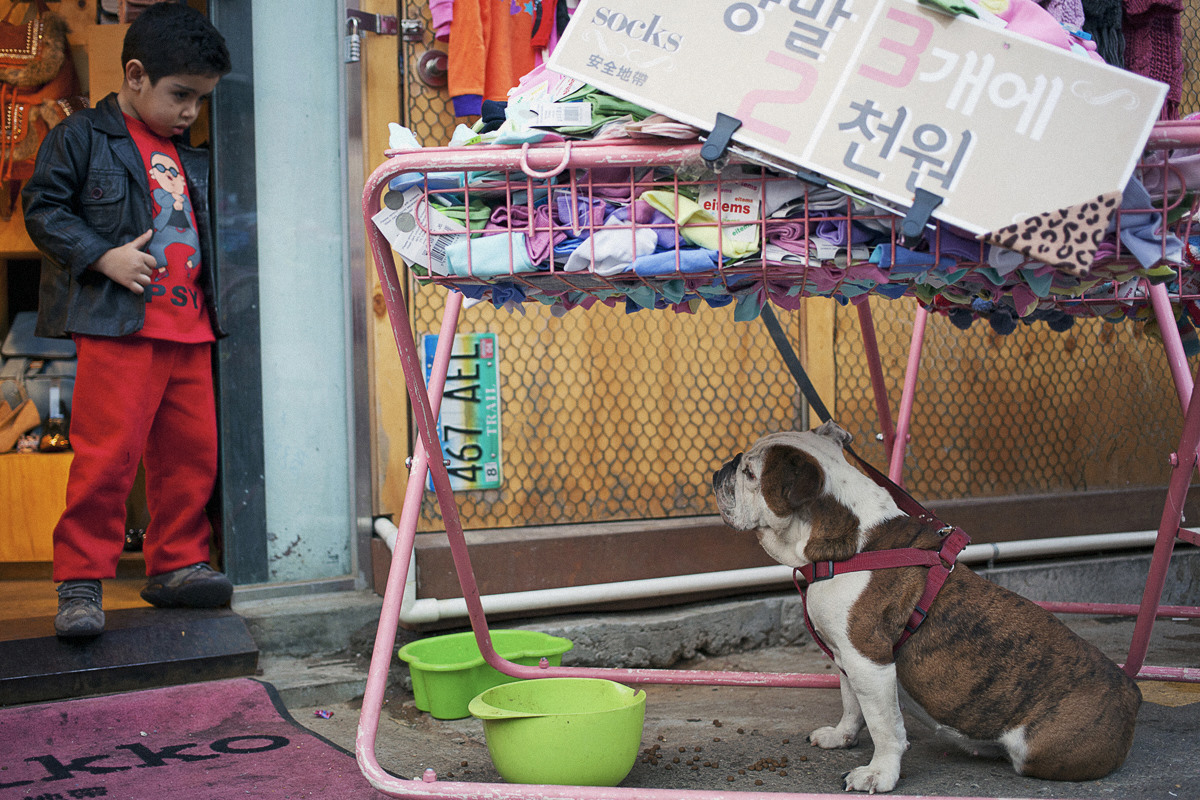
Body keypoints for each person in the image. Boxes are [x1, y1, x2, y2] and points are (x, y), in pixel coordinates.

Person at [22, 4, 233, 638]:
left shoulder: (187, 152)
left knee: (191, 455)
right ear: (135, 75)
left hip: (190, 329)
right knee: (108, 456)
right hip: (120, 328)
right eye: (181, 95)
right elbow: (43, 208)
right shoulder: (82, 135)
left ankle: (177, 564)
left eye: (201, 99)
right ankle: (81, 579)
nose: (191, 111)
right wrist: (102, 256)